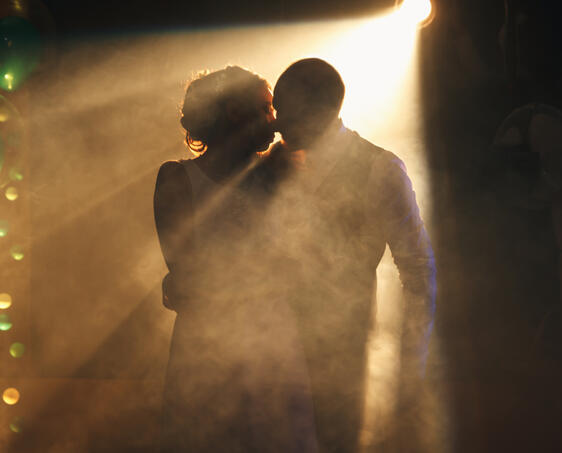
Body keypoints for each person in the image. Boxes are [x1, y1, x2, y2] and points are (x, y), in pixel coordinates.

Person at [267, 58, 436, 453]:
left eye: (285, 109)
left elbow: (418, 271)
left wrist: (410, 365)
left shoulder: (381, 169)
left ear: (321, 108)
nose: (276, 122)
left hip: (344, 351)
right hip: (269, 352)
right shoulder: (269, 166)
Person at [154, 66, 317, 453]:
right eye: (265, 108)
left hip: (274, 343)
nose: (276, 120)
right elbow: (191, 274)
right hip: (207, 350)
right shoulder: (178, 178)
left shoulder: (283, 174)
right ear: (233, 111)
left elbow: (305, 264)